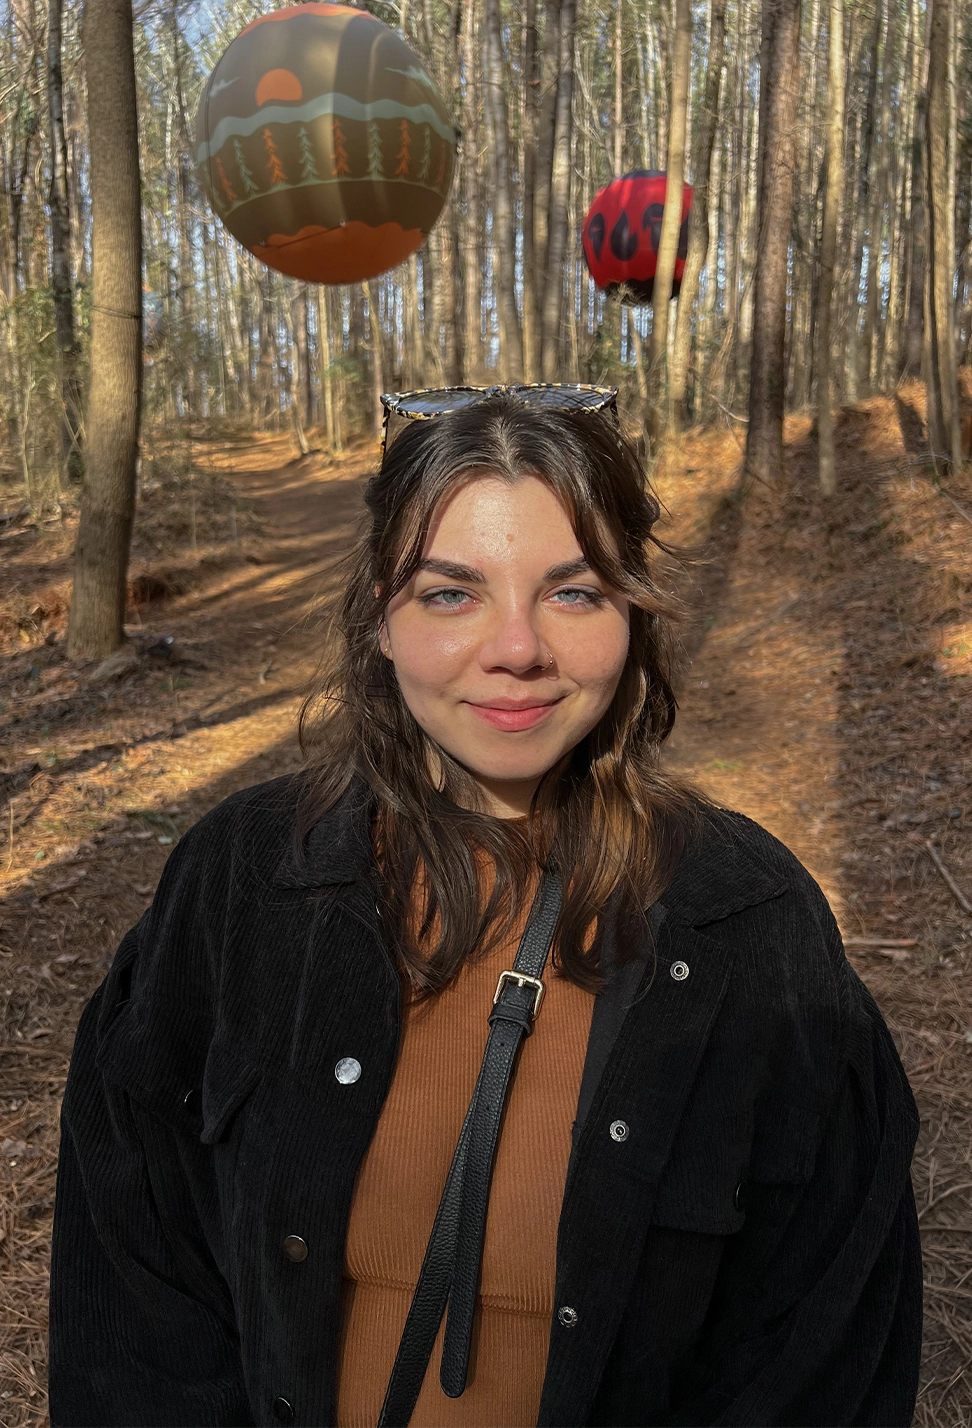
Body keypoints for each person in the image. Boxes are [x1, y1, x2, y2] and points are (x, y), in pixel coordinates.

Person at [49, 387, 922, 1428]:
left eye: (573, 593)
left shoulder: (752, 927)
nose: (517, 649)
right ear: (381, 612)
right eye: (452, 593)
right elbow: (134, 1269)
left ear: (633, 612)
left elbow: (821, 1347)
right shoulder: (240, 882)